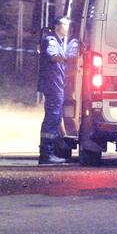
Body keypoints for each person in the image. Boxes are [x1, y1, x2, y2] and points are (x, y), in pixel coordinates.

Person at [37, 16, 71, 165]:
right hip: (53, 86)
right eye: (65, 24)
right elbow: (53, 56)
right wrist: (69, 60)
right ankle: (46, 155)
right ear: (57, 26)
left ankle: (50, 153)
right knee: (52, 118)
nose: (68, 27)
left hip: (57, 86)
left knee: (56, 119)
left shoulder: (60, 42)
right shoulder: (51, 41)